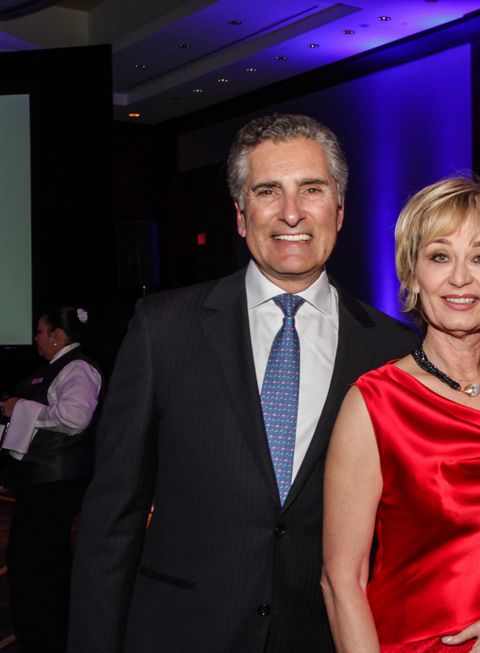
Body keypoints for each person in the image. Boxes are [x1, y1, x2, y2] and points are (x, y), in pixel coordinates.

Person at [67, 114, 416, 653]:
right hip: (181, 635)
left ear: (340, 210)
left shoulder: (392, 353)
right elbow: (113, 519)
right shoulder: (163, 330)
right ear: (240, 215)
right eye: (268, 191)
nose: (291, 212)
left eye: (312, 189)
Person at [321, 177, 480, 653]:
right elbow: (341, 582)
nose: (459, 278)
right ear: (412, 274)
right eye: (439, 256)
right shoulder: (374, 404)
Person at [1, 306, 101, 653]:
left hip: (55, 481)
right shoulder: (56, 369)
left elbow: (74, 417)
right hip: (44, 480)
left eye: (41, 332)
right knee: (39, 561)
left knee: (36, 564)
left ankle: (46, 638)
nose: (36, 338)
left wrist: (20, 409)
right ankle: (46, 635)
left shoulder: (78, 367)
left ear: (58, 336)